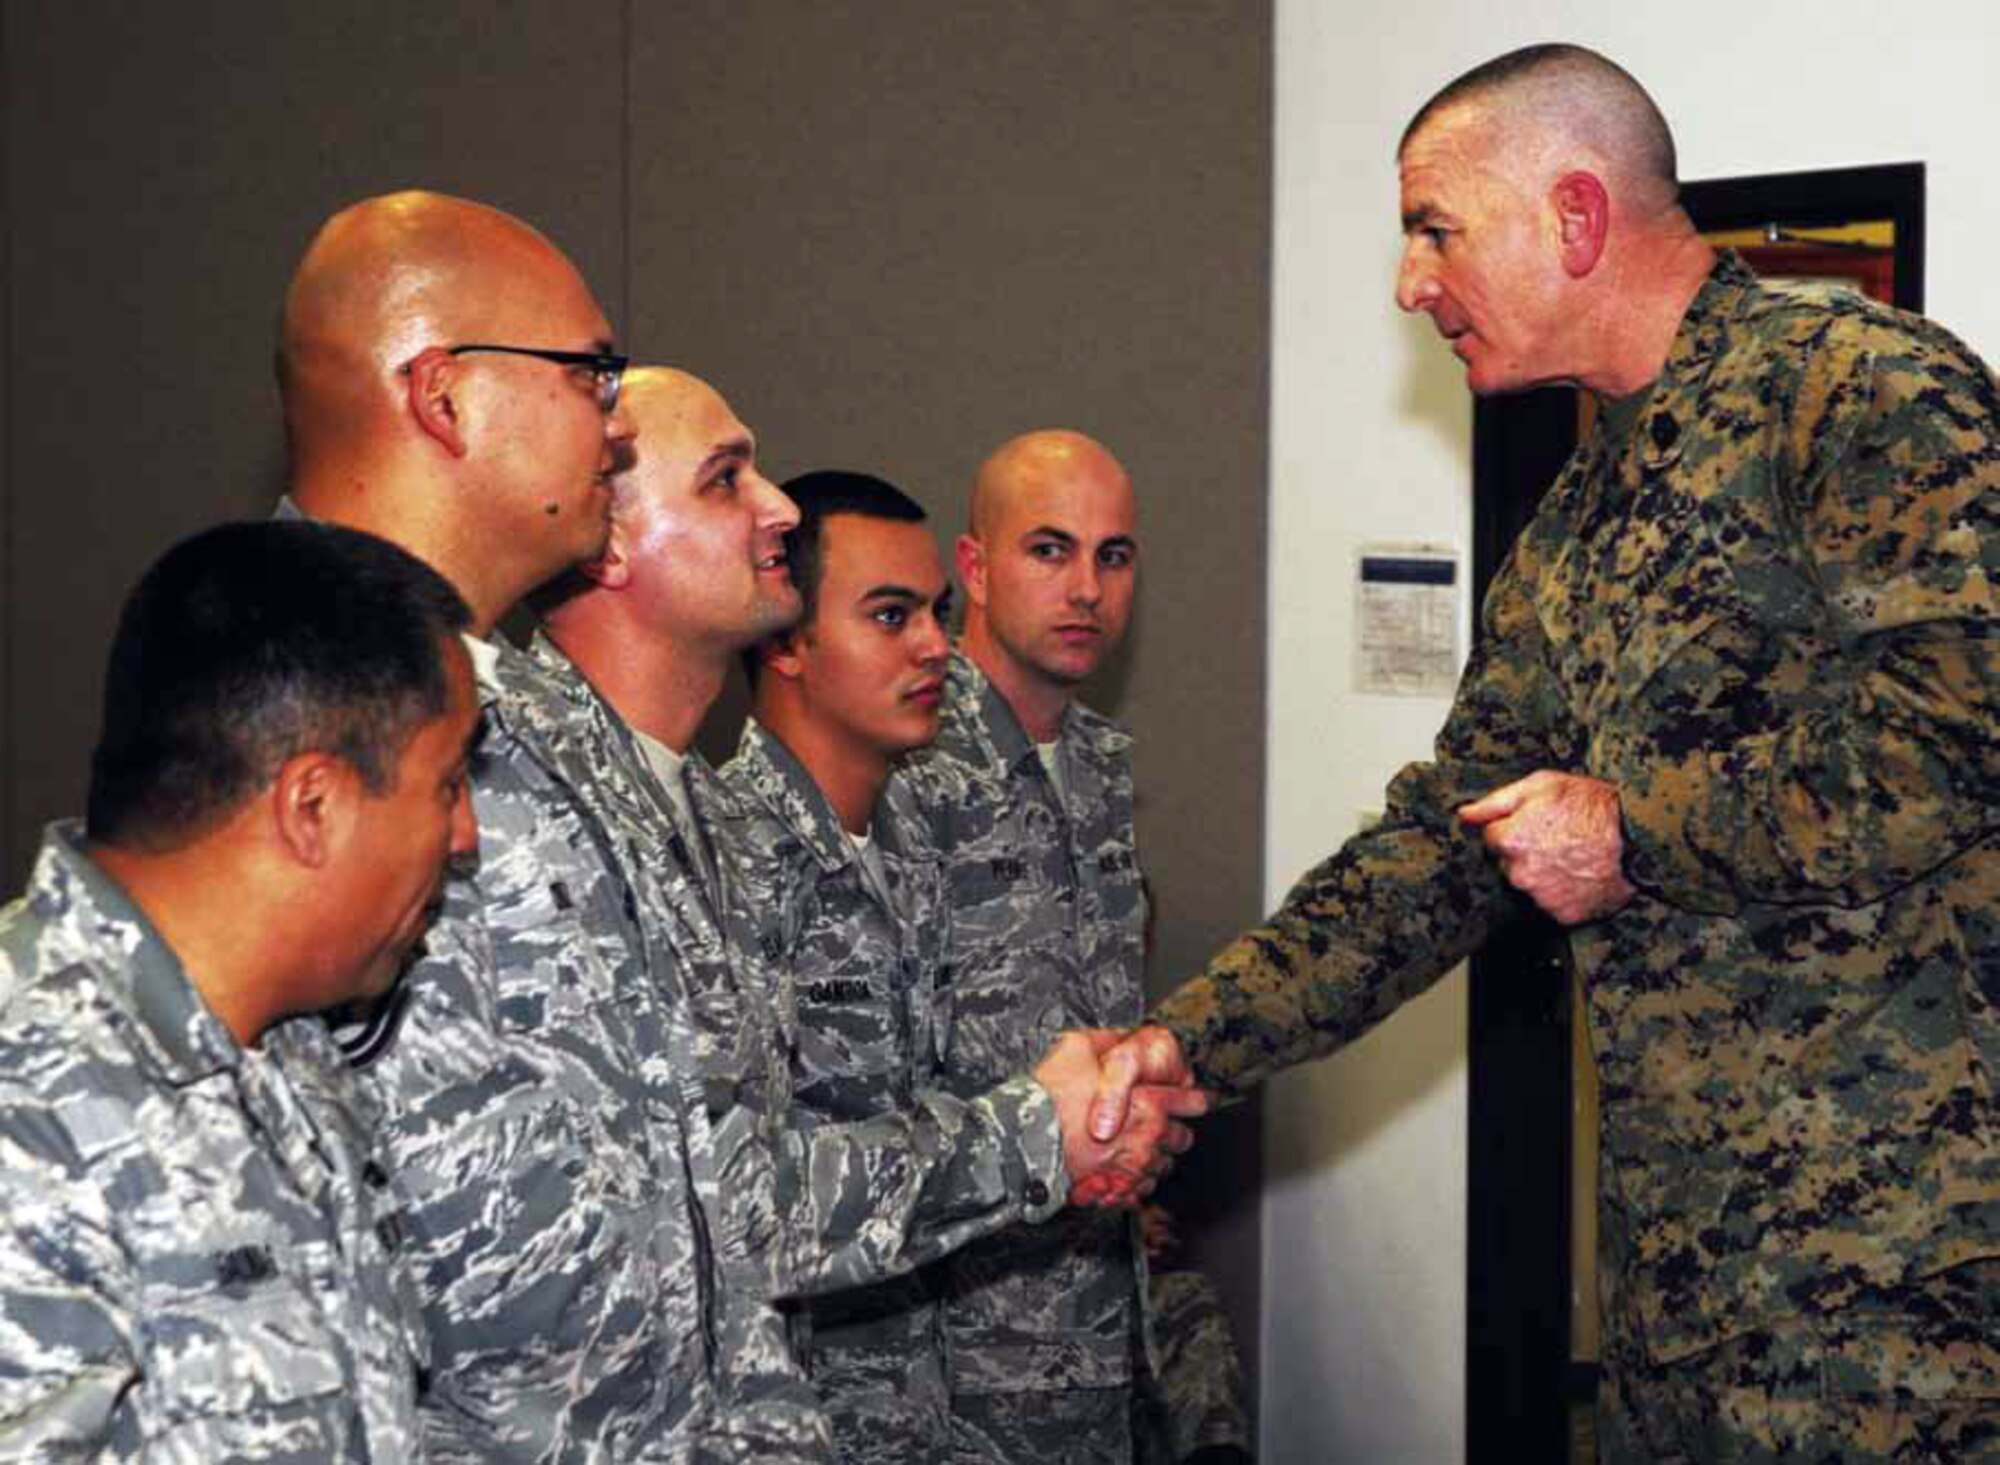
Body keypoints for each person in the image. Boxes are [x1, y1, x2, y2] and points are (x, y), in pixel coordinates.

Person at [1095, 43, 2000, 1459]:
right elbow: (1443, 844)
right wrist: (1189, 1043)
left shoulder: (1859, 393)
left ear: (1575, 218)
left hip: (1905, 1306)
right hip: (1681, 1301)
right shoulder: (1580, 516)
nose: (1410, 285)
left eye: (1434, 230)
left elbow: (1960, 734)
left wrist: (1635, 832)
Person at [277, 190, 833, 1461]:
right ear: (442, 397)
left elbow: (693, 1189)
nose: (610, 411)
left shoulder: (536, 714)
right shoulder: (276, 711)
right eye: (589, 371)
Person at [537, 380, 1201, 1302]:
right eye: (727, 480)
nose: (774, 509)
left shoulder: (715, 818)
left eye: (930, 611)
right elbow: (715, 1206)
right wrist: (1036, 1128)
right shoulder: (557, 810)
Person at [0, 520, 478, 1460]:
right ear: (314, 805)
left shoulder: (290, 1050)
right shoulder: (31, 1101)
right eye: (450, 782)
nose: (465, 836)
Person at [905, 429, 1151, 1463]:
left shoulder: (1100, 765)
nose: (1086, 587)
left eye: (1113, 555)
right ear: (972, 568)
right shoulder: (903, 760)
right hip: (957, 1345)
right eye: (1049, 550)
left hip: (1099, 1311)